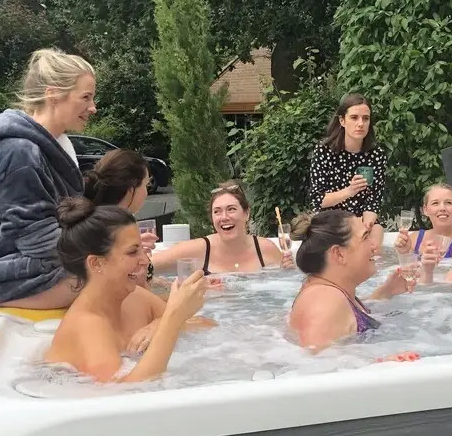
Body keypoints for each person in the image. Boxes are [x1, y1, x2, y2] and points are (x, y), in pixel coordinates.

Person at [0, 48, 95, 311]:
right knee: (105, 278)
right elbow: (38, 240)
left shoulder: (53, 147)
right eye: (86, 97)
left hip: (31, 265)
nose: (93, 107)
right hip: (4, 272)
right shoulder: (19, 152)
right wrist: (101, 249)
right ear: (53, 94)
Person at [45, 198, 208, 382]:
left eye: (142, 249)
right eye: (132, 252)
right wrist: (172, 318)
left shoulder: (136, 298)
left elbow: (205, 325)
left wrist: (158, 325)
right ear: (96, 263)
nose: (145, 260)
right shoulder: (86, 326)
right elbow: (127, 390)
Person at [288, 209, 424, 358]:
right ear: (339, 254)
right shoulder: (325, 301)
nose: (374, 245)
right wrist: (383, 363)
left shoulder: (328, 292)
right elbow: (315, 365)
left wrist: (386, 291)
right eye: (365, 237)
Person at [151, 181, 292, 274]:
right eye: (217, 212)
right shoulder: (197, 250)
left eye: (231, 209)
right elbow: (145, 268)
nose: (224, 217)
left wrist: (289, 270)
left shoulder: (266, 249)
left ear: (247, 213)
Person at [308, 93, 387, 250]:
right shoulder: (324, 151)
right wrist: (350, 191)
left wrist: (366, 225)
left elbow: (374, 199)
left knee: (376, 235)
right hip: (330, 221)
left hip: (360, 221)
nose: (360, 124)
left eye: (365, 118)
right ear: (342, 120)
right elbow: (318, 200)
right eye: (354, 118)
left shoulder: (376, 154)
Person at [84, 149, 159, 283]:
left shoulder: (95, 220)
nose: (146, 193)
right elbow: (127, 286)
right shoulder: (113, 228)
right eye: (145, 185)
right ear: (131, 189)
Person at [393, 183, 452, 260]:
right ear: (425, 210)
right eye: (435, 203)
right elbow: (406, 271)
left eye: (448, 203)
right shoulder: (414, 239)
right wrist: (404, 254)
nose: (442, 208)